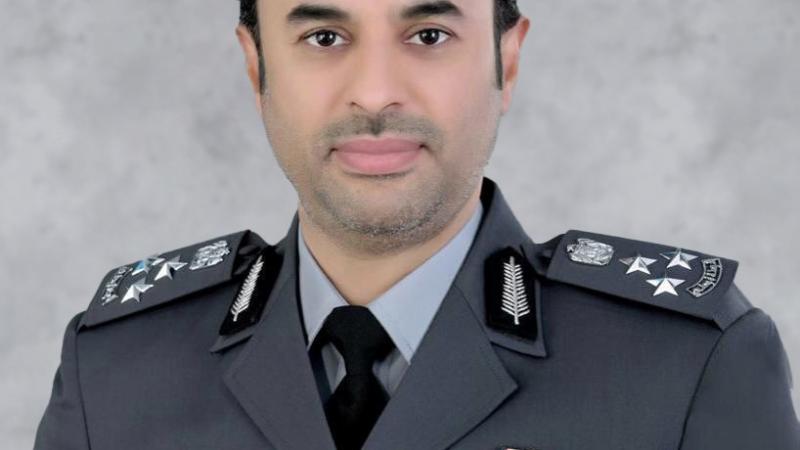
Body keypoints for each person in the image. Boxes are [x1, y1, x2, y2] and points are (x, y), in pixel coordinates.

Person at [34, 0, 799, 449]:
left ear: (506, 59)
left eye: (429, 34)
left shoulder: (686, 367)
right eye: (324, 37)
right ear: (256, 64)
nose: (375, 93)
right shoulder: (116, 376)